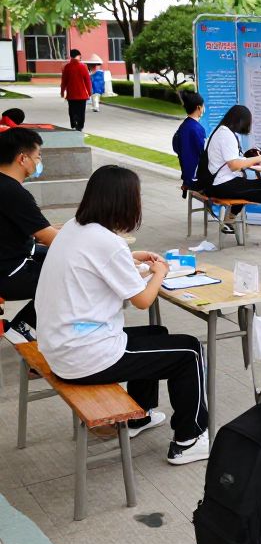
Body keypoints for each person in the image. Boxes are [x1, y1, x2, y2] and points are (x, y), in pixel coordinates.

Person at [35, 165, 210, 464]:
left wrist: (132, 258)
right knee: (190, 351)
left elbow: (95, 264)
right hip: (84, 356)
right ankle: (188, 438)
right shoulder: (108, 242)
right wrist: (160, 271)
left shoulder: (75, 228)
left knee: (157, 334)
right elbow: (142, 300)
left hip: (61, 345)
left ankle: (138, 417)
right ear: (124, 201)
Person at [204, 104, 261, 244]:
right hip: (223, 184)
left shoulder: (220, 131)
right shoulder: (226, 135)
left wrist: (248, 160)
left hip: (221, 182)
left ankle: (229, 221)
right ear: (240, 121)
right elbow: (234, 165)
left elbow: (232, 160)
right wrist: (258, 158)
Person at [0, 128, 57, 344]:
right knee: (72, 277)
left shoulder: (6, 186)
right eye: (38, 156)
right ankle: (23, 327)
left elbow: (39, 230)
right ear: (22, 158)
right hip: (9, 271)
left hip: (14, 255)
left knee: (61, 259)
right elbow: (49, 237)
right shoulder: (12, 192)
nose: (39, 162)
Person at [172, 90, 206, 192]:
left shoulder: (183, 126)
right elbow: (204, 153)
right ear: (199, 107)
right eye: (203, 105)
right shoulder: (197, 128)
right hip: (196, 179)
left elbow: (176, 146)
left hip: (187, 177)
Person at [60, 48, 91, 131]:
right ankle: (79, 126)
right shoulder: (83, 66)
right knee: (81, 112)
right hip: (82, 95)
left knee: (72, 110)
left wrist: (62, 91)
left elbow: (64, 81)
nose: (80, 58)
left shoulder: (67, 67)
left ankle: (73, 122)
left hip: (71, 95)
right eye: (80, 56)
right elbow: (87, 81)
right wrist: (89, 92)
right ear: (78, 56)